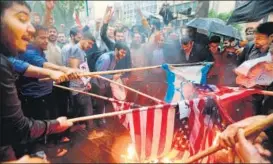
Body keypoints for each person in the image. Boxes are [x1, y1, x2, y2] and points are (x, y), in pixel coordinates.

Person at [0, 1, 72, 161]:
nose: (31, 29)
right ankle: (37, 150)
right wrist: (57, 72)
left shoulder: (12, 55)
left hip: (46, 93)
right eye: (21, 18)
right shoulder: (23, 53)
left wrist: (64, 70)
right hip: (34, 97)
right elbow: (19, 128)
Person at [91, 42, 128, 128]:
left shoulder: (115, 58)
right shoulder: (106, 58)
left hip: (104, 83)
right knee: (100, 103)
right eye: (122, 52)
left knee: (107, 101)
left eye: (125, 53)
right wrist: (113, 76)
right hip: (97, 83)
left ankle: (106, 118)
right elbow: (99, 75)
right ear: (116, 50)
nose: (123, 55)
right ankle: (99, 122)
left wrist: (115, 74)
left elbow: (107, 72)